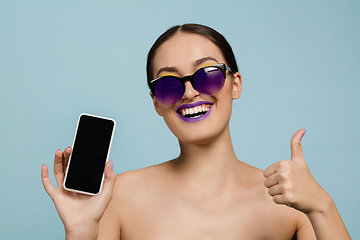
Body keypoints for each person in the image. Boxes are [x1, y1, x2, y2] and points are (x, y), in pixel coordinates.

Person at [41, 23, 351, 240]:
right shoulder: (118, 196)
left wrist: (323, 206)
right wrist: (80, 230)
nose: (189, 93)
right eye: (168, 83)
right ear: (156, 103)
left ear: (235, 84)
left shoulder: (291, 201)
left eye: (208, 75)